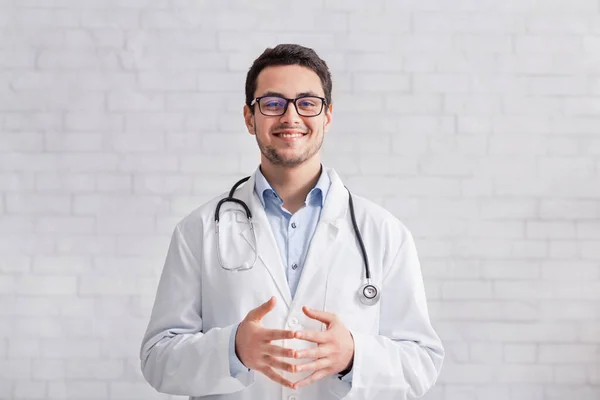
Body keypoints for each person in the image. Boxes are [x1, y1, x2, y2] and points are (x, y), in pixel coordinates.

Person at [140, 44, 444, 400]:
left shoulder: (383, 233)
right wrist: (232, 350)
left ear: (327, 115)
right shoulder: (200, 231)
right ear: (249, 117)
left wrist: (353, 355)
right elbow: (158, 359)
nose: (290, 117)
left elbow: (422, 364)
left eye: (307, 102)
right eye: (272, 103)